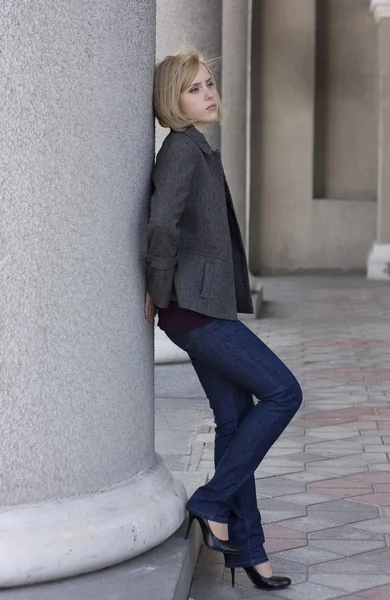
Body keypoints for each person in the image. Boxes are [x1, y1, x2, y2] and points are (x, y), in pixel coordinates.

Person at [144, 48, 302, 592]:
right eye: (194, 87)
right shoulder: (183, 150)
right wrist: (158, 289)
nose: (208, 93)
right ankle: (211, 502)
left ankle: (247, 551)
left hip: (200, 305)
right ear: (173, 99)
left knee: (235, 421)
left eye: (209, 83)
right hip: (194, 309)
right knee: (283, 391)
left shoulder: (198, 148)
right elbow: (161, 225)